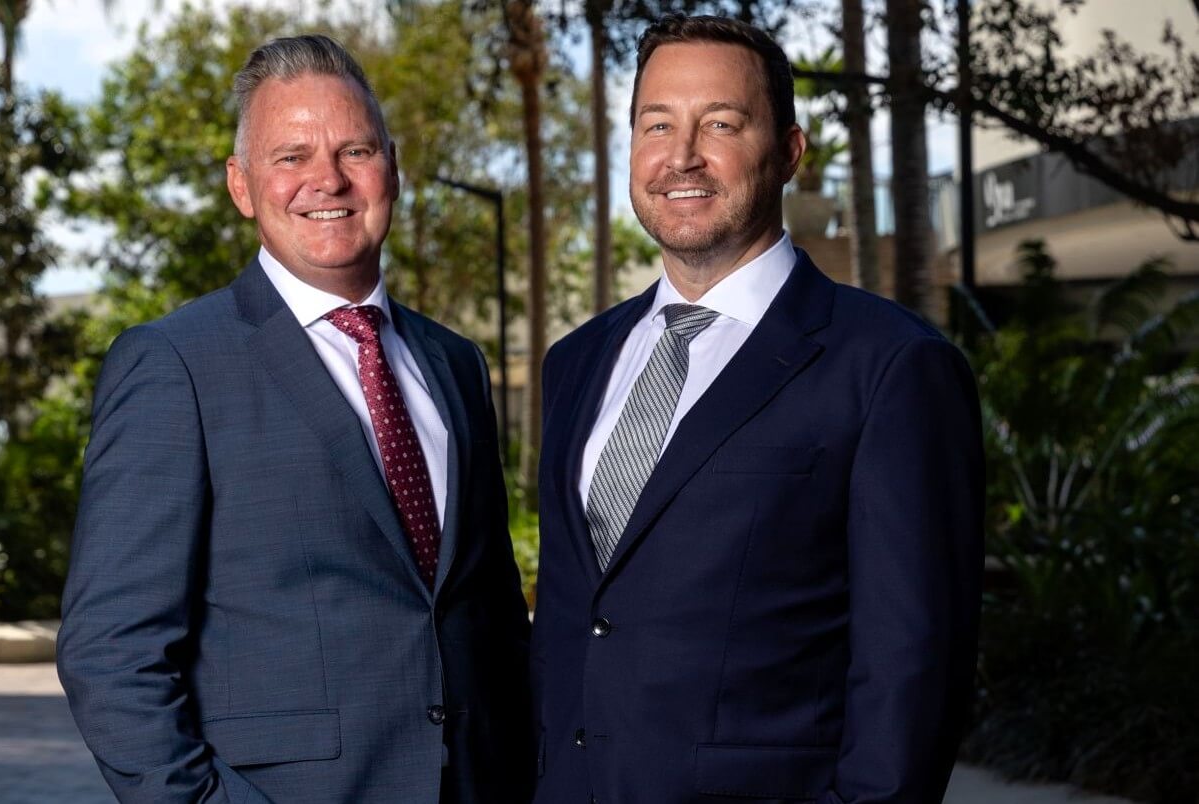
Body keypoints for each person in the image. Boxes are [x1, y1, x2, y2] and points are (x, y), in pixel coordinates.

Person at [57, 34, 532, 804]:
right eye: (291, 156)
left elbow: (492, 615)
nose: (328, 179)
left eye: (355, 150)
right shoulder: (175, 365)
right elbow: (110, 650)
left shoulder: (455, 363)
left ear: (392, 168)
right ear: (241, 186)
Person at [531, 14, 984, 804]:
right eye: (656, 124)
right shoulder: (575, 362)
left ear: (788, 151)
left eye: (720, 123)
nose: (681, 155)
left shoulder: (889, 365)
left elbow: (913, 663)